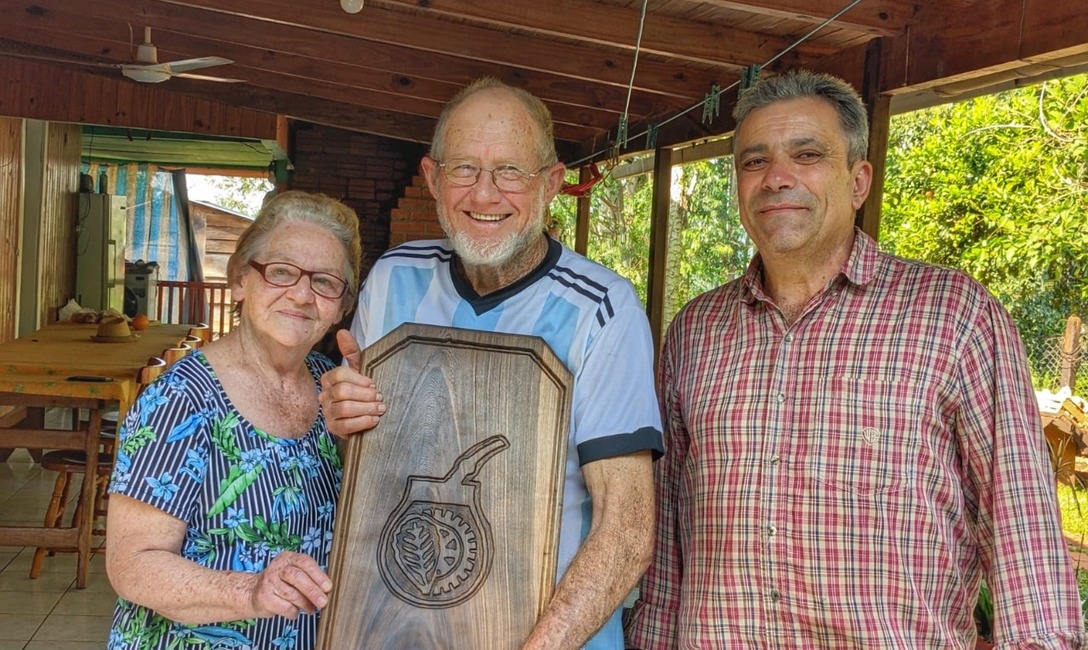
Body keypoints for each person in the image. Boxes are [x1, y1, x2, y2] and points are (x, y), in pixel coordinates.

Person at [624, 69, 1087, 648]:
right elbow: (668, 545)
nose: (777, 178)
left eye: (808, 154)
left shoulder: (953, 317)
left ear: (859, 180)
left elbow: (1024, 537)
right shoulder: (696, 333)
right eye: (754, 161)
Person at [320, 77, 663, 650]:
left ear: (551, 183)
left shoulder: (601, 308)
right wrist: (344, 422)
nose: (484, 195)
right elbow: (368, 470)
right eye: (464, 170)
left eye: (510, 171)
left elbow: (625, 530)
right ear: (432, 178)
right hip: (399, 625)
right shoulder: (393, 278)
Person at [106, 191, 364, 649]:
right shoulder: (180, 398)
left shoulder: (334, 391)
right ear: (240, 280)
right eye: (281, 272)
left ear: (341, 306)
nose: (302, 295)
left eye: (325, 282)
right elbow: (133, 563)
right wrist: (251, 590)